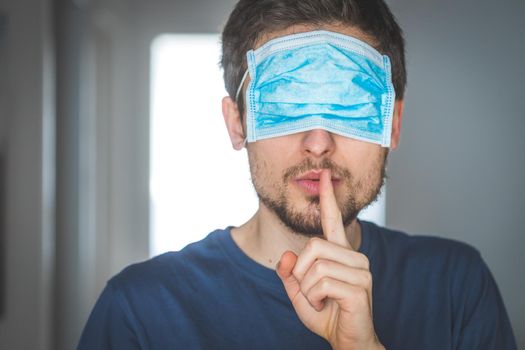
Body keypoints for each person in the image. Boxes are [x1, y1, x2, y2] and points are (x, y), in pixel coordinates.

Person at [77, 0, 517, 349]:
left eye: (350, 105)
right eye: (286, 106)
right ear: (237, 124)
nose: (319, 142)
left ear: (393, 126)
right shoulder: (140, 312)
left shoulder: (457, 286)